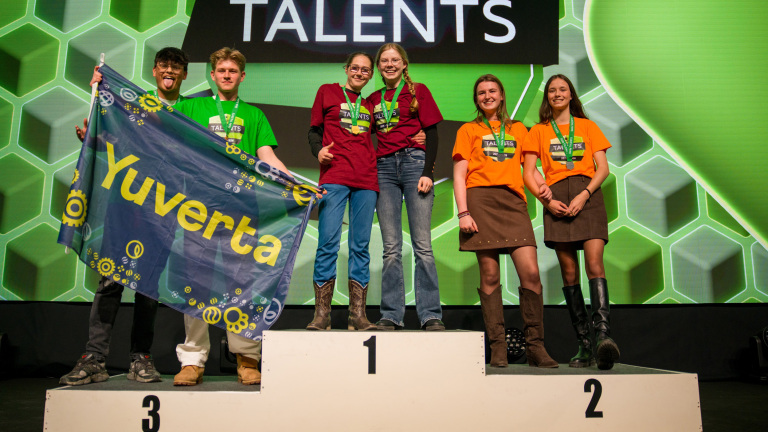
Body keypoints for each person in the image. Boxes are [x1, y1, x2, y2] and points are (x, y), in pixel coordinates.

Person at [61, 47, 190, 386]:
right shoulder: (132, 104)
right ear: (154, 70)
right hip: (126, 205)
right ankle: (94, 357)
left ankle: (140, 358)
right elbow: (113, 140)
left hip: (164, 208)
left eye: (176, 67)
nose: (169, 71)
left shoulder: (191, 110)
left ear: (184, 75)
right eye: (164, 65)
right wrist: (95, 135)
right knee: (110, 279)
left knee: (147, 285)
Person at [172, 47, 292, 385]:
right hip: (199, 210)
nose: (226, 75)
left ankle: (246, 358)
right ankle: (193, 360)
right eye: (221, 70)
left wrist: (297, 183)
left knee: (242, 285)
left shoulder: (253, 115)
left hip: (242, 212)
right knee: (197, 284)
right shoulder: (191, 106)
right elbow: (154, 123)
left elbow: (267, 156)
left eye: (232, 71)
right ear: (212, 75)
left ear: (241, 76)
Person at [453, 74, 558, 368]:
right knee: (489, 276)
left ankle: (536, 347)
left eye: (492, 91)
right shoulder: (468, 130)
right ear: (477, 99)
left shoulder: (519, 129)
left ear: (501, 96)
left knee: (532, 274)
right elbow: (460, 175)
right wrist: (463, 213)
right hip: (480, 202)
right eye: (481, 92)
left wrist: (545, 192)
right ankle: (498, 347)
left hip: (513, 204)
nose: (487, 96)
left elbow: (530, 171)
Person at [522, 74, 620, 370]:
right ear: (547, 97)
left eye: (562, 89)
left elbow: (602, 168)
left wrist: (585, 194)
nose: (557, 94)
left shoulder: (588, 127)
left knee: (594, 265)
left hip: (587, 197)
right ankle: (585, 344)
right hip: (557, 201)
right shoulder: (538, 131)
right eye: (552, 90)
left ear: (571, 94)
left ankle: (603, 337)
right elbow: (528, 172)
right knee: (568, 272)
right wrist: (546, 201)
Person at [367, 43, 444, 331]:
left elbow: (433, 133)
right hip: (384, 169)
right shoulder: (373, 98)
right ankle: (391, 314)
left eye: (394, 60)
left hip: (415, 165)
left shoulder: (418, 91)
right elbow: (363, 134)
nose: (389, 64)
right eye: (384, 60)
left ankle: (430, 314)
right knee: (391, 248)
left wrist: (428, 172)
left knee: (423, 246)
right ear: (379, 66)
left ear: (404, 64)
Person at [306, 52, 379, 331]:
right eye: (355, 68)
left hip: (366, 180)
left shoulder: (372, 103)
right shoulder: (327, 92)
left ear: (370, 75)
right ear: (346, 69)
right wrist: (318, 151)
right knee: (327, 243)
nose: (359, 73)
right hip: (335, 176)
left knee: (360, 247)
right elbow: (314, 131)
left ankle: (357, 316)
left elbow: (388, 133)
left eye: (365, 70)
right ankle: (322, 315)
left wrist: (417, 135)